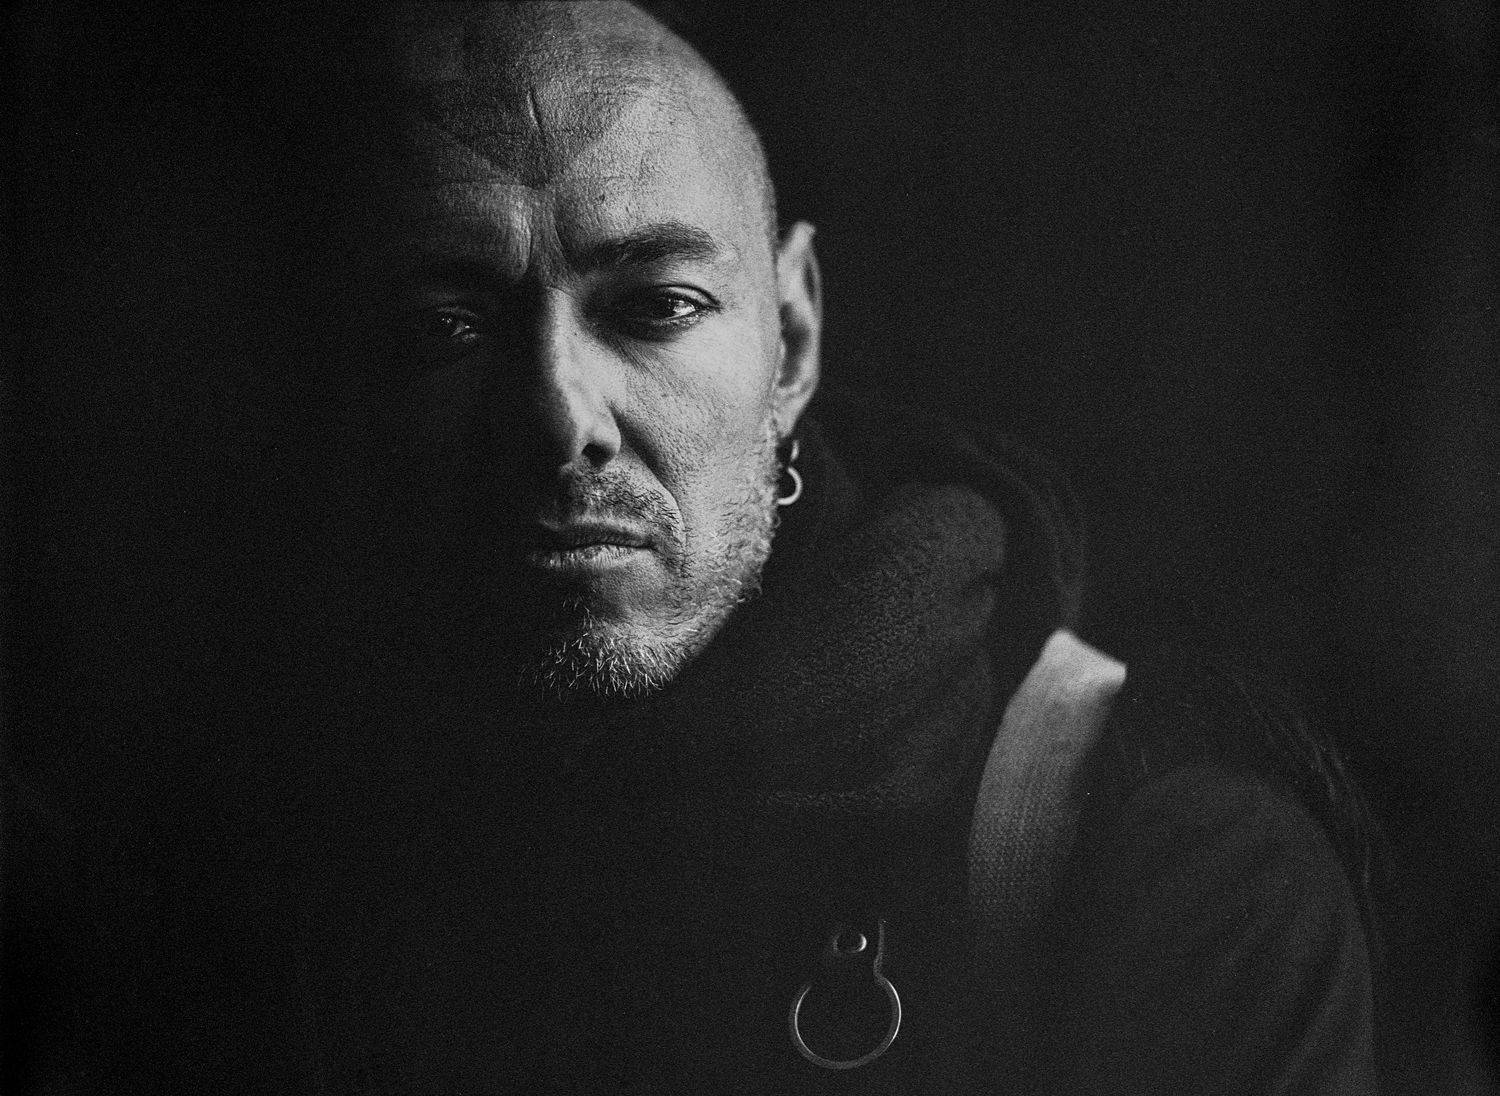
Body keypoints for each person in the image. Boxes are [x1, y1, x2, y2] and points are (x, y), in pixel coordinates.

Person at [4, 2, 1376, 1092]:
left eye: (655, 306)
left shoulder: (1156, 871)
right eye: (445, 325)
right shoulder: (230, 873)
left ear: (796, 339)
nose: (561, 416)